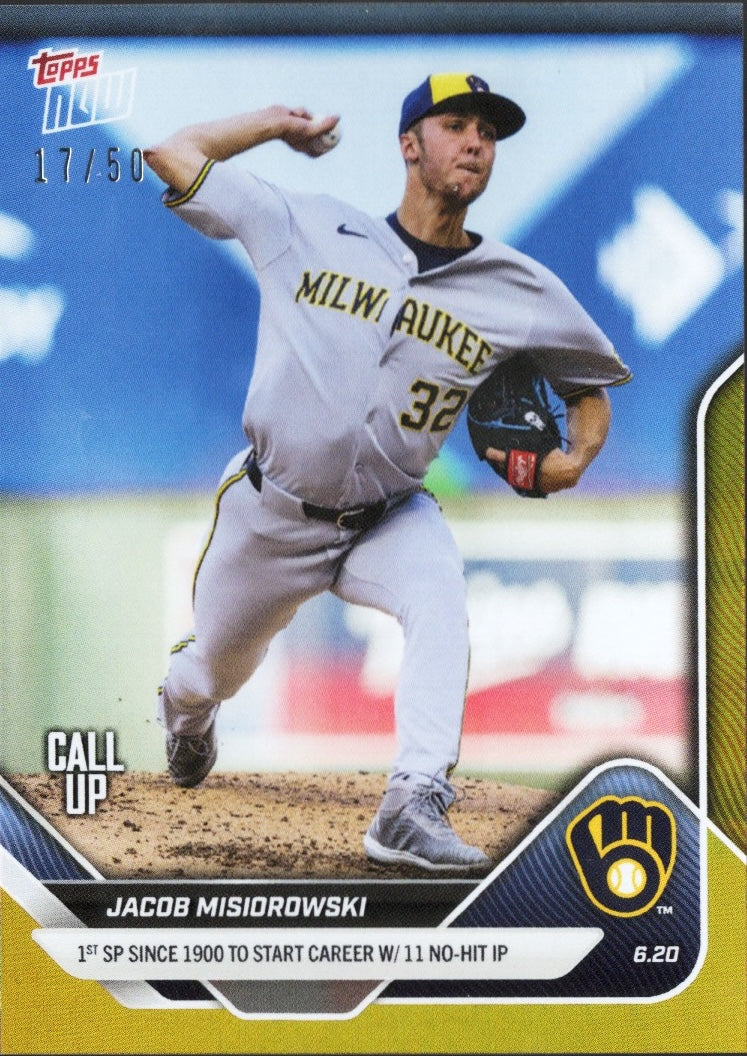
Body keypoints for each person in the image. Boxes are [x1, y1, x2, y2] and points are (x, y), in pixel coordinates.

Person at [144, 73, 631, 872]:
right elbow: (172, 153)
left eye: (488, 133)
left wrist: (572, 460)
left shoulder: (519, 287)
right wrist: (273, 123)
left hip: (389, 514)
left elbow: (589, 387)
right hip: (273, 512)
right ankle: (187, 717)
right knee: (209, 674)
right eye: (456, 125)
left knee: (440, 598)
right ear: (409, 144)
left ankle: (412, 801)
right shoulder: (305, 225)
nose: (476, 142)